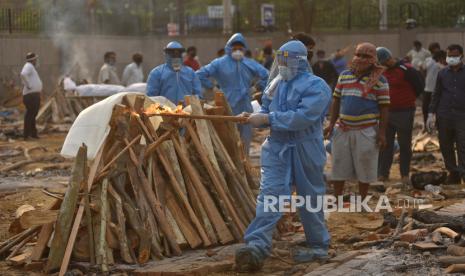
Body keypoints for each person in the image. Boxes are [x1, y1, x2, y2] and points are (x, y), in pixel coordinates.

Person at [234, 40, 331, 272]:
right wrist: (255, 115)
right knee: (270, 194)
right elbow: (267, 109)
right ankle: (257, 245)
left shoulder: (317, 86)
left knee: (309, 197)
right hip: (277, 148)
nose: (283, 64)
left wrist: (269, 119)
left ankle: (318, 245)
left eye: (288, 60)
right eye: (281, 59)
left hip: (305, 147)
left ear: (300, 61)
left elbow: (303, 117)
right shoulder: (276, 83)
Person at [324, 43, 390, 200]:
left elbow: (385, 108)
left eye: (366, 56)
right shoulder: (344, 75)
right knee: (339, 165)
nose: (360, 59)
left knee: (365, 166)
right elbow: (336, 100)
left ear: (374, 59)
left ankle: (362, 200)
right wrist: (331, 124)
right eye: (358, 54)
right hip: (343, 129)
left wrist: (381, 133)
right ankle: (337, 198)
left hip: (366, 130)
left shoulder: (380, 80)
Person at [197, 33, 268, 152]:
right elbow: (199, 74)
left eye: (240, 48)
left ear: (244, 49)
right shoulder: (219, 63)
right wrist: (213, 88)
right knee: (228, 139)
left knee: (245, 139)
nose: (238, 51)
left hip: (245, 105)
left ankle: (245, 164)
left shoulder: (249, 63)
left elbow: (267, 75)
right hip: (225, 104)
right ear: (229, 48)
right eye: (234, 48)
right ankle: (232, 166)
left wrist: (256, 88)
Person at [376, 47, 424, 185]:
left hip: (404, 112)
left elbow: (419, 87)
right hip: (386, 113)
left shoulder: (406, 69)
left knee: (404, 145)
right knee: (385, 145)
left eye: (382, 62)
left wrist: (407, 99)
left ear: (387, 59)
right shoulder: (381, 72)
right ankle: (383, 174)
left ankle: (404, 174)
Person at [427, 44, 465, 184]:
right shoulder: (442, 73)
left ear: (461, 56)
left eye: (455, 56)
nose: (451, 58)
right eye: (449, 56)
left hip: (462, 116)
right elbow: (436, 94)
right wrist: (431, 113)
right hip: (444, 115)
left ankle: (463, 172)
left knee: (462, 145)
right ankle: (453, 173)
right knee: (445, 145)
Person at [20, 52, 42, 140]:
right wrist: (29, 85)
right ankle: (26, 135)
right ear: (33, 60)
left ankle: (33, 134)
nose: (36, 60)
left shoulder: (31, 67)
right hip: (30, 95)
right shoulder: (28, 65)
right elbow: (23, 74)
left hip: (33, 95)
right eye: (35, 59)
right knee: (30, 115)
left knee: (33, 115)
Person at [422, 43, 445, 126]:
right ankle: (427, 126)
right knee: (425, 109)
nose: (435, 53)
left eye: (436, 51)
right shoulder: (428, 60)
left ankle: (439, 126)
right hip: (428, 88)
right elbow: (423, 70)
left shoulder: (443, 61)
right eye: (433, 51)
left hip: (439, 90)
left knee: (439, 109)